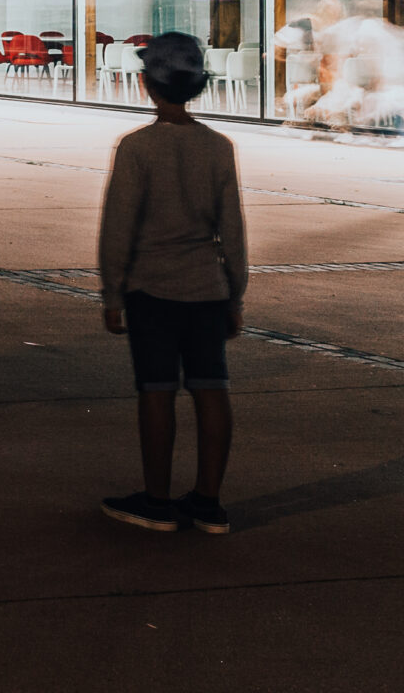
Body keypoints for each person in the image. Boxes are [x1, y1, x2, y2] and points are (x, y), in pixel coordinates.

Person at [97, 32, 246, 536]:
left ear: (147, 85)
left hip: (151, 290)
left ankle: (156, 500)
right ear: (199, 85)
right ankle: (208, 502)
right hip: (207, 288)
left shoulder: (137, 148)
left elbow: (119, 226)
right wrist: (235, 292)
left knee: (156, 391)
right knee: (211, 389)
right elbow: (234, 227)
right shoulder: (219, 148)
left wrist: (113, 292)